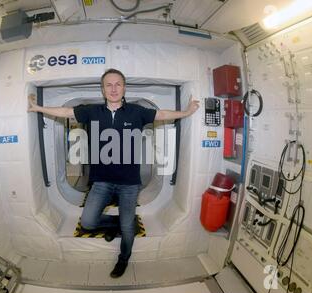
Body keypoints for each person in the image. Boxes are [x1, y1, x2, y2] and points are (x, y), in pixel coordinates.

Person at [28, 68, 199, 278]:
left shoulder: (137, 112)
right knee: (89, 222)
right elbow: (65, 112)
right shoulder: (92, 112)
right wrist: (36, 107)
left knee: (128, 229)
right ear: (102, 89)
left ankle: (123, 258)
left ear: (124, 87)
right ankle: (115, 225)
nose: (114, 88)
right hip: (101, 182)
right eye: (108, 85)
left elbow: (162, 114)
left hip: (129, 184)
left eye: (118, 84)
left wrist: (187, 112)